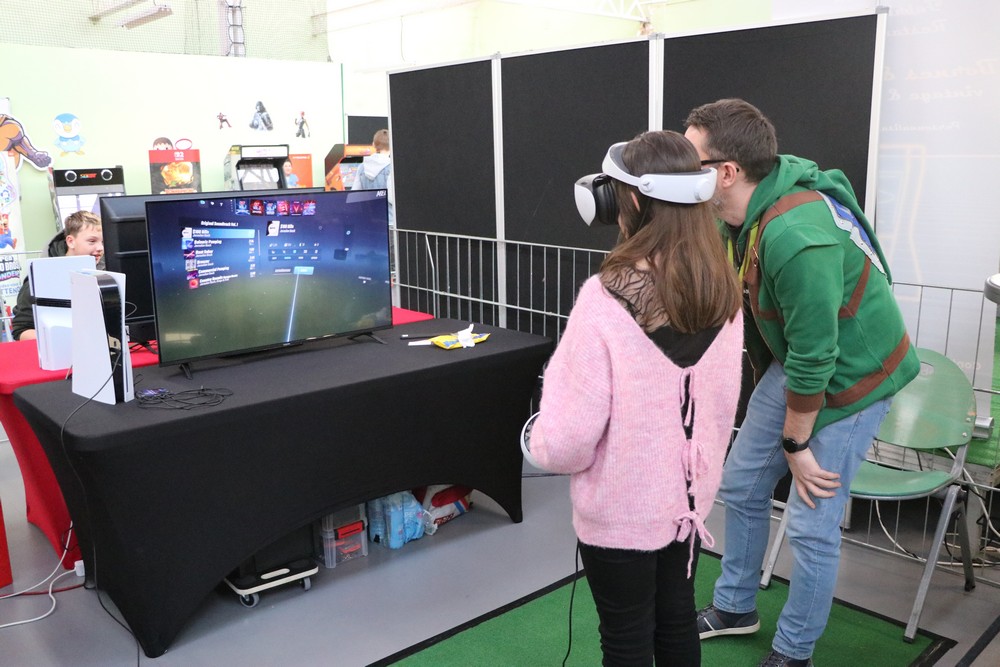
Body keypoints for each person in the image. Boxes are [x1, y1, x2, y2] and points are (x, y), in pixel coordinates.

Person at [683, 98, 920, 667]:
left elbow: (818, 357)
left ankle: (795, 651)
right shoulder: (737, 215)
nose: (681, 172)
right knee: (742, 485)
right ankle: (735, 607)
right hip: (804, 362)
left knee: (812, 523)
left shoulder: (794, 233)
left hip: (855, 374)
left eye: (691, 161)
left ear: (727, 172)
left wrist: (796, 442)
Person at [528, 130, 745, 666]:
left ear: (628, 199)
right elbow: (722, 404)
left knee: (625, 637)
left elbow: (566, 443)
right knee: (676, 620)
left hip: (620, 513)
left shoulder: (604, 300)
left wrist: (536, 440)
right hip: (688, 507)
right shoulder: (725, 289)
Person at [11, 210, 104, 341]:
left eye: (102, 242)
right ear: (70, 241)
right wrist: (62, 339)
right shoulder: (40, 277)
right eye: (92, 241)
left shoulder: (108, 273)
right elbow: (21, 330)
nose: (100, 248)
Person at [351, 128, 394, 225]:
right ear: (392, 145)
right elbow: (392, 198)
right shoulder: (391, 167)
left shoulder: (362, 167)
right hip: (389, 221)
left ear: (373, 144)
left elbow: (354, 196)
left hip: (368, 221)